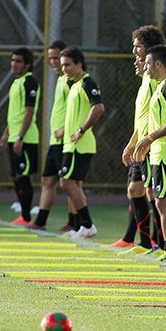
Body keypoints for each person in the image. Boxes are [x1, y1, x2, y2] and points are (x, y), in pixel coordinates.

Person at [113, 25, 166, 252]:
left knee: (151, 192)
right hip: (141, 141)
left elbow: (159, 114)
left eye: (137, 46)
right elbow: (143, 114)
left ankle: (156, 242)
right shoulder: (145, 75)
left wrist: (148, 139)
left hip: (151, 143)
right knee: (136, 190)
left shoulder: (157, 76)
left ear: (147, 48)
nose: (134, 50)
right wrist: (131, 142)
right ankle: (143, 241)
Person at [133, 45, 166, 262]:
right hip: (160, 153)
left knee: (164, 203)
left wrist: (149, 137)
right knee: (163, 203)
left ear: (157, 63)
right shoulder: (160, 86)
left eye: (147, 63)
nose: (145, 68)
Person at [59, 47, 105, 239]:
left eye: (68, 65)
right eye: (62, 65)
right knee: (73, 184)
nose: (64, 69)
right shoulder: (74, 85)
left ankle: (87, 225)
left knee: (66, 183)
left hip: (81, 144)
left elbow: (99, 108)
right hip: (71, 144)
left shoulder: (87, 82)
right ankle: (81, 227)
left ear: (79, 64)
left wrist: (81, 129)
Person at [30, 41, 74, 231]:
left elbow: (77, 109)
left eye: (57, 58)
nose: (54, 62)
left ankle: (76, 223)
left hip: (66, 140)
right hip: (55, 140)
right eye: (50, 59)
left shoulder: (72, 81)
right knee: (47, 180)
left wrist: (65, 129)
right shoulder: (60, 80)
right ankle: (40, 221)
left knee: (72, 183)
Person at [1, 47, 40, 226]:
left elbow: (29, 112)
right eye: (13, 60)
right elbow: (15, 113)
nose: (14, 64)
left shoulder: (30, 82)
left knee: (23, 176)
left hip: (26, 138)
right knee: (16, 176)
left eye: (18, 61)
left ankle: (26, 217)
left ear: (27, 64)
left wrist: (20, 137)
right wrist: (7, 133)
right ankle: (24, 216)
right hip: (14, 137)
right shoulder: (17, 82)